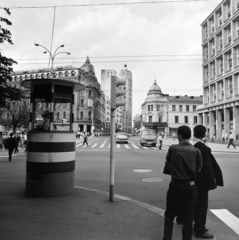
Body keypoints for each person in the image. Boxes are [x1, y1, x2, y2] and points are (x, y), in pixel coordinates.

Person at [163, 125, 202, 240]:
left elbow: (168, 163)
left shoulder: (173, 148)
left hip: (176, 185)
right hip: (190, 186)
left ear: (179, 136)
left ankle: (167, 238)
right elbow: (198, 169)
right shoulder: (197, 151)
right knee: (188, 218)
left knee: (170, 214)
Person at [192, 125, 224, 238]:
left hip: (191, 181)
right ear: (204, 134)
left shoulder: (193, 146)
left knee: (192, 203)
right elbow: (208, 167)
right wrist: (212, 183)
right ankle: (199, 230)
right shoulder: (203, 148)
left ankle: (187, 221)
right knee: (201, 206)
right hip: (201, 182)